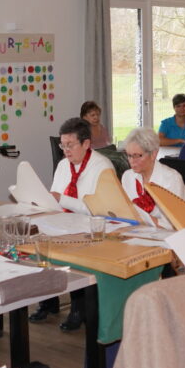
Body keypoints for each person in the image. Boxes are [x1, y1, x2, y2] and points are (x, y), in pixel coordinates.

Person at [31, 117, 113, 328]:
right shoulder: (62, 165)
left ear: (86, 144)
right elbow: (55, 200)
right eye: (62, 145)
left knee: (73, 254)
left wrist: (62, 199)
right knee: (39, 246)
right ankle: (48, 301)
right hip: (63, 222)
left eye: (70, 145)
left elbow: (98, 210)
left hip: (89, 228)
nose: (65, 151)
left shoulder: (102, 167)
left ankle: (79, 309)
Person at [121, 128, 185, 229]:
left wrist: (141, 218)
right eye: (129, 155)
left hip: (166, 235)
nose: (132, 161)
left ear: (153, 154)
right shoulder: (128, 176)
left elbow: (174, 224)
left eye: (137, 156)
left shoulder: (171, 179)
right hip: (135, 232)